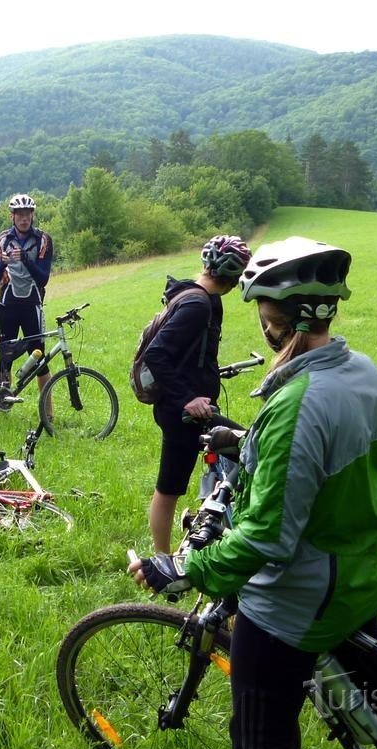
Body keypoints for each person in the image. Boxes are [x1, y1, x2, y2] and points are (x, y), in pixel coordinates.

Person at [129, 236, 377, 749]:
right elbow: (320, 461)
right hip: (358, 579)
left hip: (290, 605)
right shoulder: (366, 373)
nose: (262, 324)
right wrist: (249, 441)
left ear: (279, 320)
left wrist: (185, 568)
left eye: (264, 313)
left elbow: (267, 537)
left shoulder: (298, 401)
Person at [145, 235, 251, 554]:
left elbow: (191, 351)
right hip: (183, 413)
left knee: (237, 456)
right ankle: (162, 559)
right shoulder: (197, 304)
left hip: (192, 408)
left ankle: (210, 519)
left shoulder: (199, 297)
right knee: (170, 487)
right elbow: (156, 354)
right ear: (234, 277)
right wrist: (187, 397)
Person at [0, 194, 54, 403]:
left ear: (32, 215)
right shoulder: (3, 239)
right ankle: (2, 403)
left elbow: (43, 279)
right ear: (12, 216)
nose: (24, 218)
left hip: (32, 306)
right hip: (7, 306)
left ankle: (48, 413)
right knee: (5, 359)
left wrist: (25, 258)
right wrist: (2, 263)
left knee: (39, 359)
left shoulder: (43, 239)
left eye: (27, 214)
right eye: (19, 215)